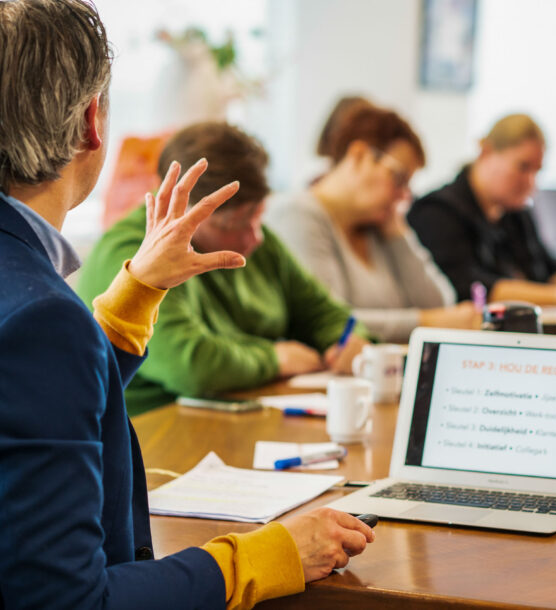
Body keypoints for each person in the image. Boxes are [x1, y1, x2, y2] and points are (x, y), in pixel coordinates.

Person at [0, 2, 374, 609]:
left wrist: (133, 297)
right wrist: (268, 555)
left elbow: (33, 399)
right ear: (91, 123)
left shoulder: (37, 316)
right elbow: (65, 602)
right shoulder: (43, 319)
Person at [78, 121, 369, 415]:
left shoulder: (260, 245)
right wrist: (274, 359)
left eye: (257, 216)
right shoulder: (135, 253)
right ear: (183, 207)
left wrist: (347, 342)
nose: (254, 236)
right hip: (157, 430)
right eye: (235, 223)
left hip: (241, 415)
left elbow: (324, 313)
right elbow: (190, 366)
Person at [266, 103, 479, 342]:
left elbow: (440, 303)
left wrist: (398, 235)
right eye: (399, 178)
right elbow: (323, 321)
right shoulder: (297, 215)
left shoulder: (376, 227)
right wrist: (425, 323)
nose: (404, 195)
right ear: (358, 155)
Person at [408, 113, 556, 311]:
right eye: (523, 167)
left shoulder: (516, 212)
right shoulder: (437, 212)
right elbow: (470, 287)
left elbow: (545, 269)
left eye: (537, 171)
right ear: (486, 152)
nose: (531, 182)